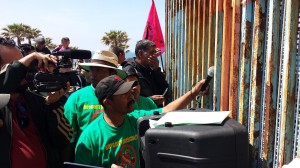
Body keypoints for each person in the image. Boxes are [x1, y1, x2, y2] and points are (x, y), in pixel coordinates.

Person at [75, 75, 207, 168]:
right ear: (108, 103)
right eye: (123, 94)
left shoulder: (135, 119)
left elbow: (166, 110)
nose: (130, 95)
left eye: (129, 90)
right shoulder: (89, 140)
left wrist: (194, 92)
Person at [0, 37, 73, 168]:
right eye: (17, 66)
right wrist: (31, 57)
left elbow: (64, 140)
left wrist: (53, 105)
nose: (25, 71)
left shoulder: (37, 97)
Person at [63, 50, 127, 147]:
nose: (93, 74)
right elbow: (68, 137)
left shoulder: (124, 96)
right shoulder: (76, 98)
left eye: (100, 70)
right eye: (92, 69)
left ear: (112, 73)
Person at [121, 40, 170, 107]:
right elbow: (129, 97)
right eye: (152, 52)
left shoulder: (151, 68)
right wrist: (149, 101)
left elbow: (164, 88)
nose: (155, 56)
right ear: (140, 53)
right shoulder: (130, 69)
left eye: (155, 52)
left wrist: (156, 70)